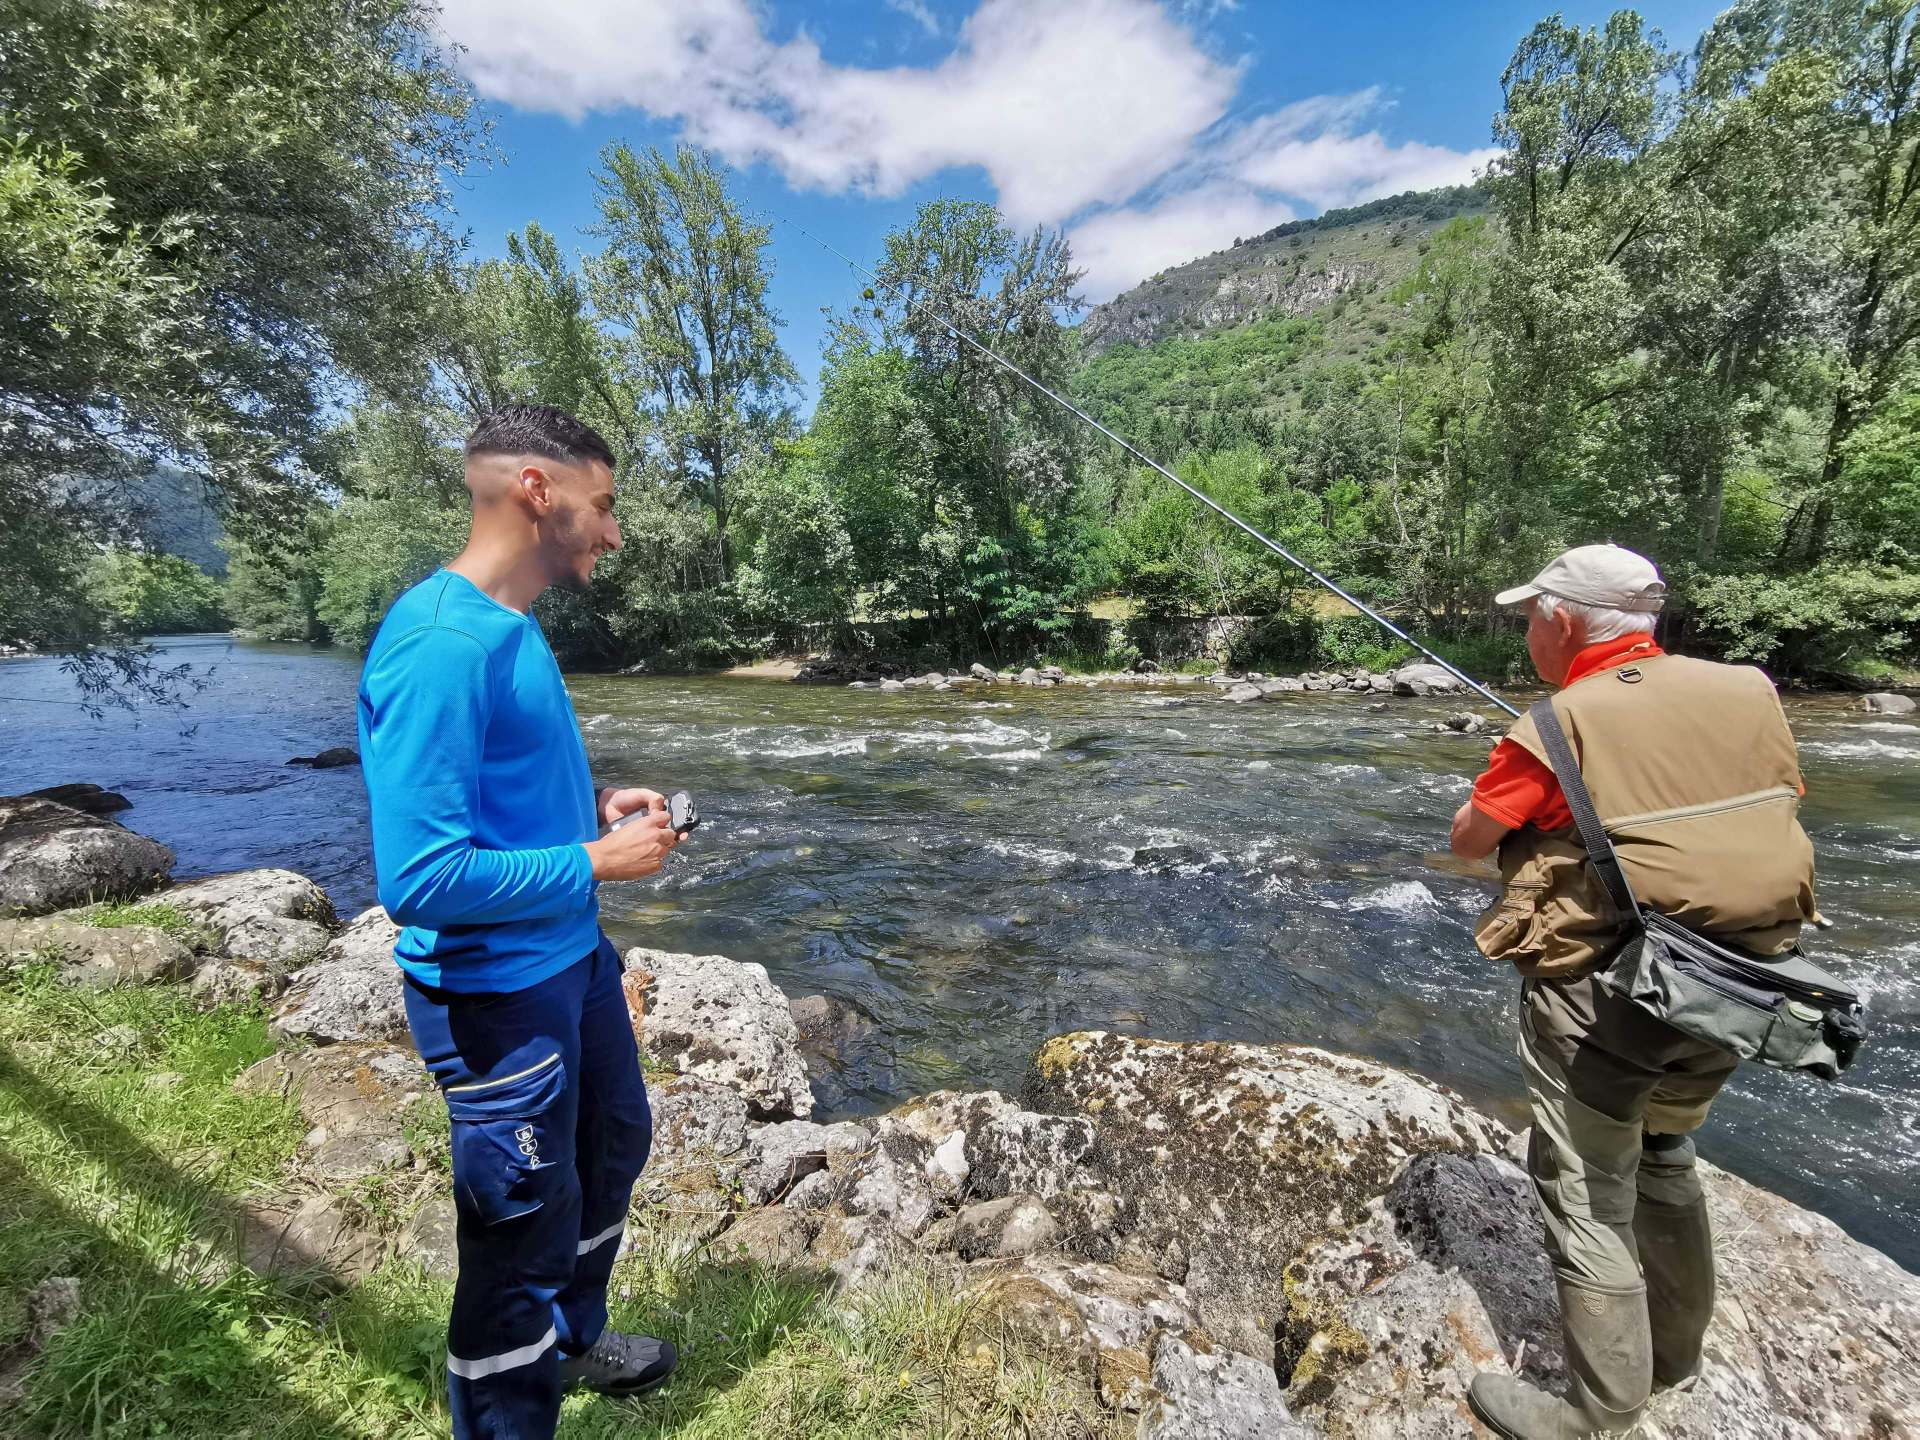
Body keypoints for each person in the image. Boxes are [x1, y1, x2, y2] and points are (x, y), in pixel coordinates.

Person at [357, 404, 687, 1440]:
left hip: (570, 964)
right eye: (604, 505)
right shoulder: (441, 646)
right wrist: (594, 863)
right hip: (496, 1000)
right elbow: (421, 876)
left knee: (609, 1153)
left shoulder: (513, 627)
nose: (614, 533)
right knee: (517, 1237)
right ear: (537, 490)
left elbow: (489, 808)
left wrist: (590, 811)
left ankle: (576, 1343)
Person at [1448, 543, 1816, 1440]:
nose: (1528, 629)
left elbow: (1469, 837)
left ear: (1565, 622)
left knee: (1586, 1184)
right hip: (1742, 980)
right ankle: (1679, 1358)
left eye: (1533, 614)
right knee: (1665, 1153)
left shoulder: (1557, 723)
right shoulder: (1749, 691)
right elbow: (1772, 795)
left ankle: (1595, 1415)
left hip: (1610, 992)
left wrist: (1548, 760)